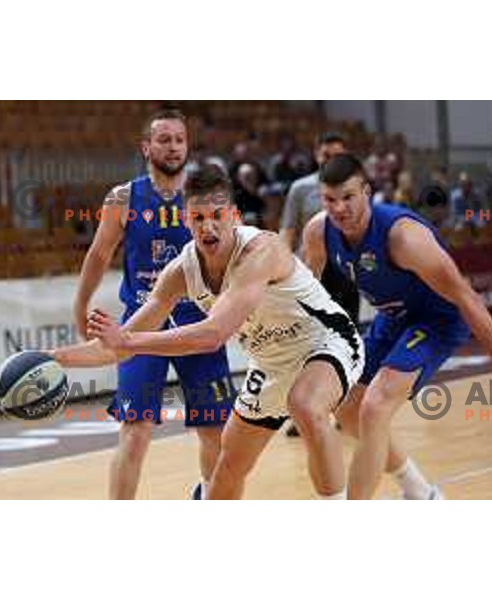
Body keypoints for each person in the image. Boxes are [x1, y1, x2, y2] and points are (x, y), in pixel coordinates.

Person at [53, 165, 365, 500]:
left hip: (327, 342)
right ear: (186, 221)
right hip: (271, 364)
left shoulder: (261, 251)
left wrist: (127, 340)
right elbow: (117, 347)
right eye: (198, 218)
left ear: (233, 215)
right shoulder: (179, 273)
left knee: (305, 405)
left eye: (216, 216)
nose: (208, 226)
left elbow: (213, 334)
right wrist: (52, 359)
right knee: (227, 465)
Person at [303, 153, 492, 499]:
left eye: (348, 197)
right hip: (393, 318)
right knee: (347, 407)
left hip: (437, 320)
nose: (339, 209)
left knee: (375, 406)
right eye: (330, 200)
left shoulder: (403, 238)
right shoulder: (318, 232)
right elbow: (307, 290)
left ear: (366, 191)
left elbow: (466, 296)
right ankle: (419, 491)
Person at [72, 110, 235, 500]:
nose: (173, 146)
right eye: (164, 139)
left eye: (179, 139)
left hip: (198, 322)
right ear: (146, 147)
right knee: (135, 430)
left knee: (215, 428)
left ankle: (211, 498)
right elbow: (98, 255)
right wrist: (81, 305)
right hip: (142, 323)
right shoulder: (123, 197)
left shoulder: (206, 198)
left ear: (188, 145)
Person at [280, 132, 359, 437]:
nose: (331, 161)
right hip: (310, 275)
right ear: (316, 155)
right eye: (326, 155)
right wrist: (283, 268)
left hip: (345, 273)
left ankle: (342, 408)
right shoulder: (300, 189)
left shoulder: (353, 191)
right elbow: (287, 229)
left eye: (337, 155)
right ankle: (302, 412)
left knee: (346, 339)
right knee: (305, 342)